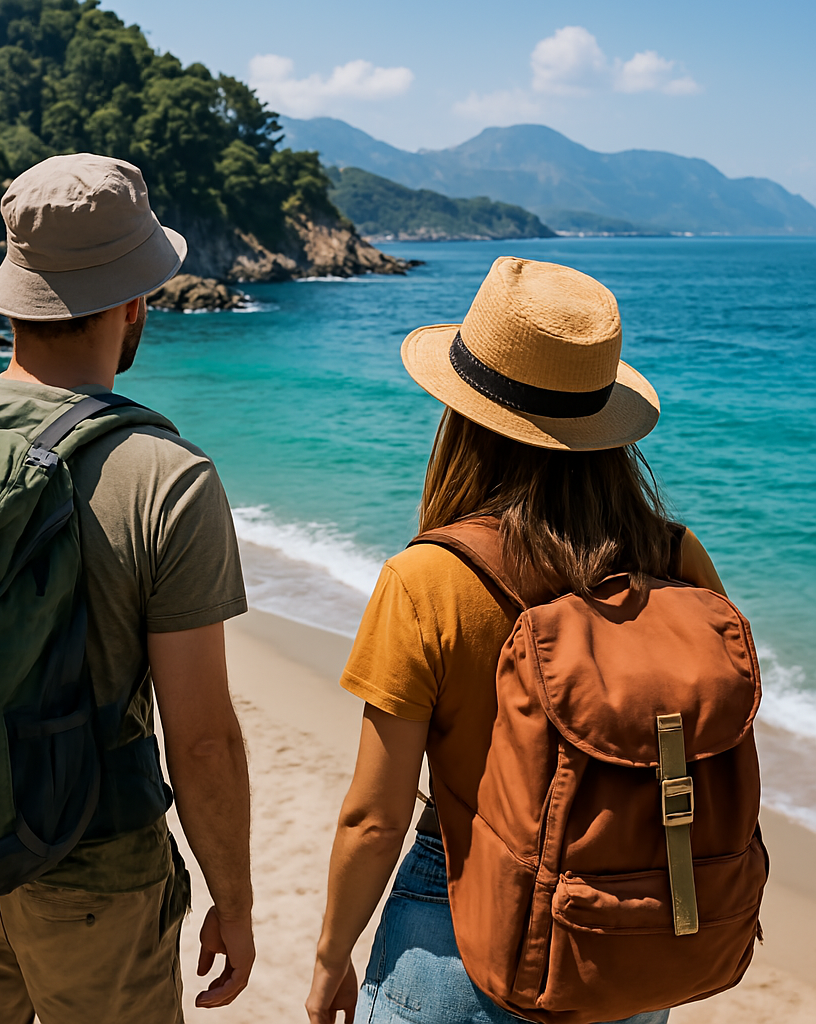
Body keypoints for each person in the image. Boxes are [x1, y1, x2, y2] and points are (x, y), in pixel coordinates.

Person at [306, 257, 730, 1024]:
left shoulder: (428, 578)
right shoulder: (675, 559)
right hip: (623, 929)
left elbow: (374, 818)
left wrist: (331, 958)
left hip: (455, 919)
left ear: (463, 418)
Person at [0, 154, 255, 1023]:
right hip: (95, 869)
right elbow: (202, 736)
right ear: (135, 299)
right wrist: (235, 898)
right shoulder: (162, 476)